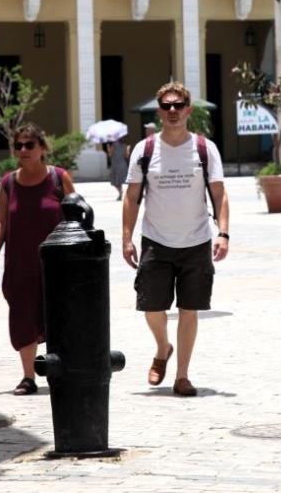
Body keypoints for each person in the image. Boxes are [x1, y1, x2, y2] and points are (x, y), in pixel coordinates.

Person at [122, 82, 229, 397]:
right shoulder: (145, 149)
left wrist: (223, 233)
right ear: (159, 110)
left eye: (178, 105)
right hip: (156, 239)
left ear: (188, 110)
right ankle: (162, 346)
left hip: (196, 240)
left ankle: (182, 376)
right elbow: (131, 198)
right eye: (167, 106)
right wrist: (127, 238)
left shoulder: (204, 148)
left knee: (189, 308)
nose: (172, 111)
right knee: (151, 307)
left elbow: (220, 195)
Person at [0, 123, 75, 396]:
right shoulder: (9, 182)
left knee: (59, 317)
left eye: (29, 145)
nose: (23, 150)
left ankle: (59, 371)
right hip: (20, 263)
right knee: (23, 317)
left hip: (57, 265)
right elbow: (2, 221)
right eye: (19, 145)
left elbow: (79, 214)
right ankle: (28, 377)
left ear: (43, 148)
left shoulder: (59, 178)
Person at [108, 133, 130, 201]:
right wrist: (128, 149)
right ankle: (121, 192)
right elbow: (126, 156)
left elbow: (110, 154)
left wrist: (108, 148)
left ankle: (120, 192)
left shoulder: (114, 145)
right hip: (122, 165)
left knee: (115, 181)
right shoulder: (125, 145)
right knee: (119, 181)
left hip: (116, 165)